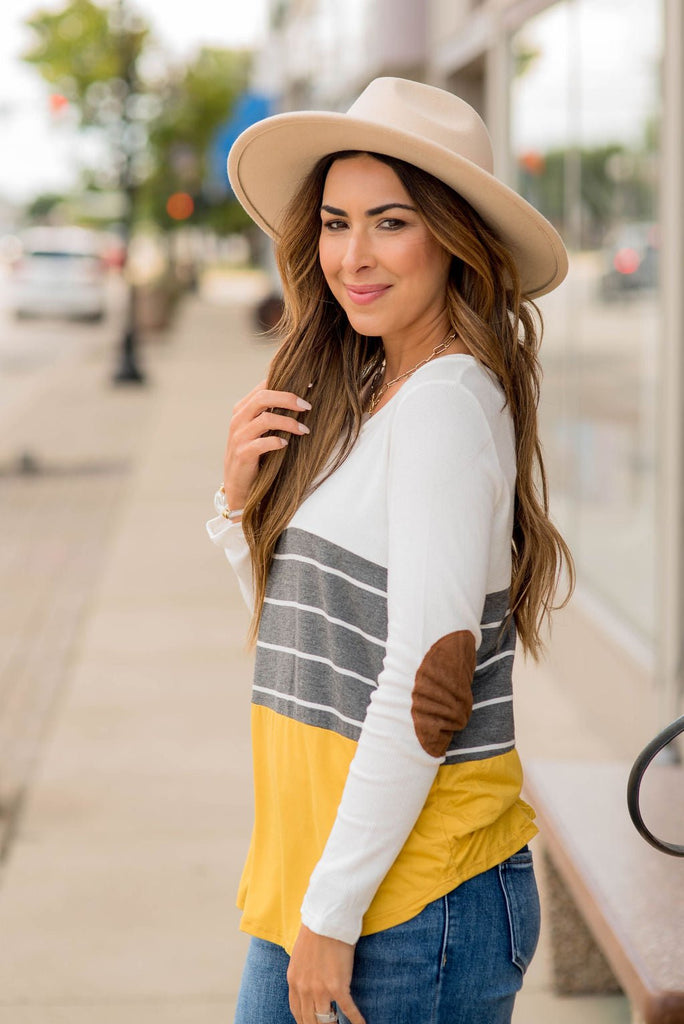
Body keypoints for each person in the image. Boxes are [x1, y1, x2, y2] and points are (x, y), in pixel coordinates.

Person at [207, 77, 574, 1024]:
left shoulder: (445, 404)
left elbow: (426, 683)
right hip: (330, 877)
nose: (352, 256)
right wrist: (237, 507)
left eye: (390, 222)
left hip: (406, 905)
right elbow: (323, 636)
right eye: (334, 223)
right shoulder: (370, 391)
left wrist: (331, 915)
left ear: (452, 239)